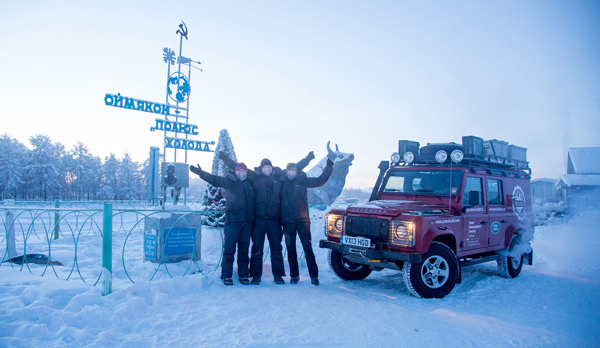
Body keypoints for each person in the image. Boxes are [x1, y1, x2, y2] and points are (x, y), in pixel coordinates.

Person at [219, 152, 314, 285]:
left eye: (269, 167)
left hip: (274, 220)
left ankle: (278, 276)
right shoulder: (255, 176)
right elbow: (238, 166)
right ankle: (256, 276)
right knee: (257, 248)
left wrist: (307, 159)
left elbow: (294, 168)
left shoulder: (278, 176)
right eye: (265, 167)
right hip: (259, 219)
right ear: (261, 168)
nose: (267, 169)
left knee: (276, 248)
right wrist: (224, 158)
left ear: (272, 167)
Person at [190, 162, 254, 286]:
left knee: (244, 250)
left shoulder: (250, 184)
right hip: (232, 222)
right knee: (229, 250)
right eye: (239, 171)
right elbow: (214, 179)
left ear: (246, 172)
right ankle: (227, 275)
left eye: (244, 171)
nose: (242, 173)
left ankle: (243, 275)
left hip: (246, 223)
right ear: (236, 172)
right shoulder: (229, 182)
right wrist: (201, 173)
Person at [281, 154, 334, 286]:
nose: (291, 172)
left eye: (293, 170)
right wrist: (307, 159)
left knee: (307, 247)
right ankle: (294, 275)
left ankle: (314, 276)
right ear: (286, 172)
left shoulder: (302, 181)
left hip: (302, 221)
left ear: (296, 171)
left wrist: (329, 165)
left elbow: (320, 180)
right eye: (289, 170)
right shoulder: (282, 182)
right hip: (288, 222)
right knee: (290, 248)